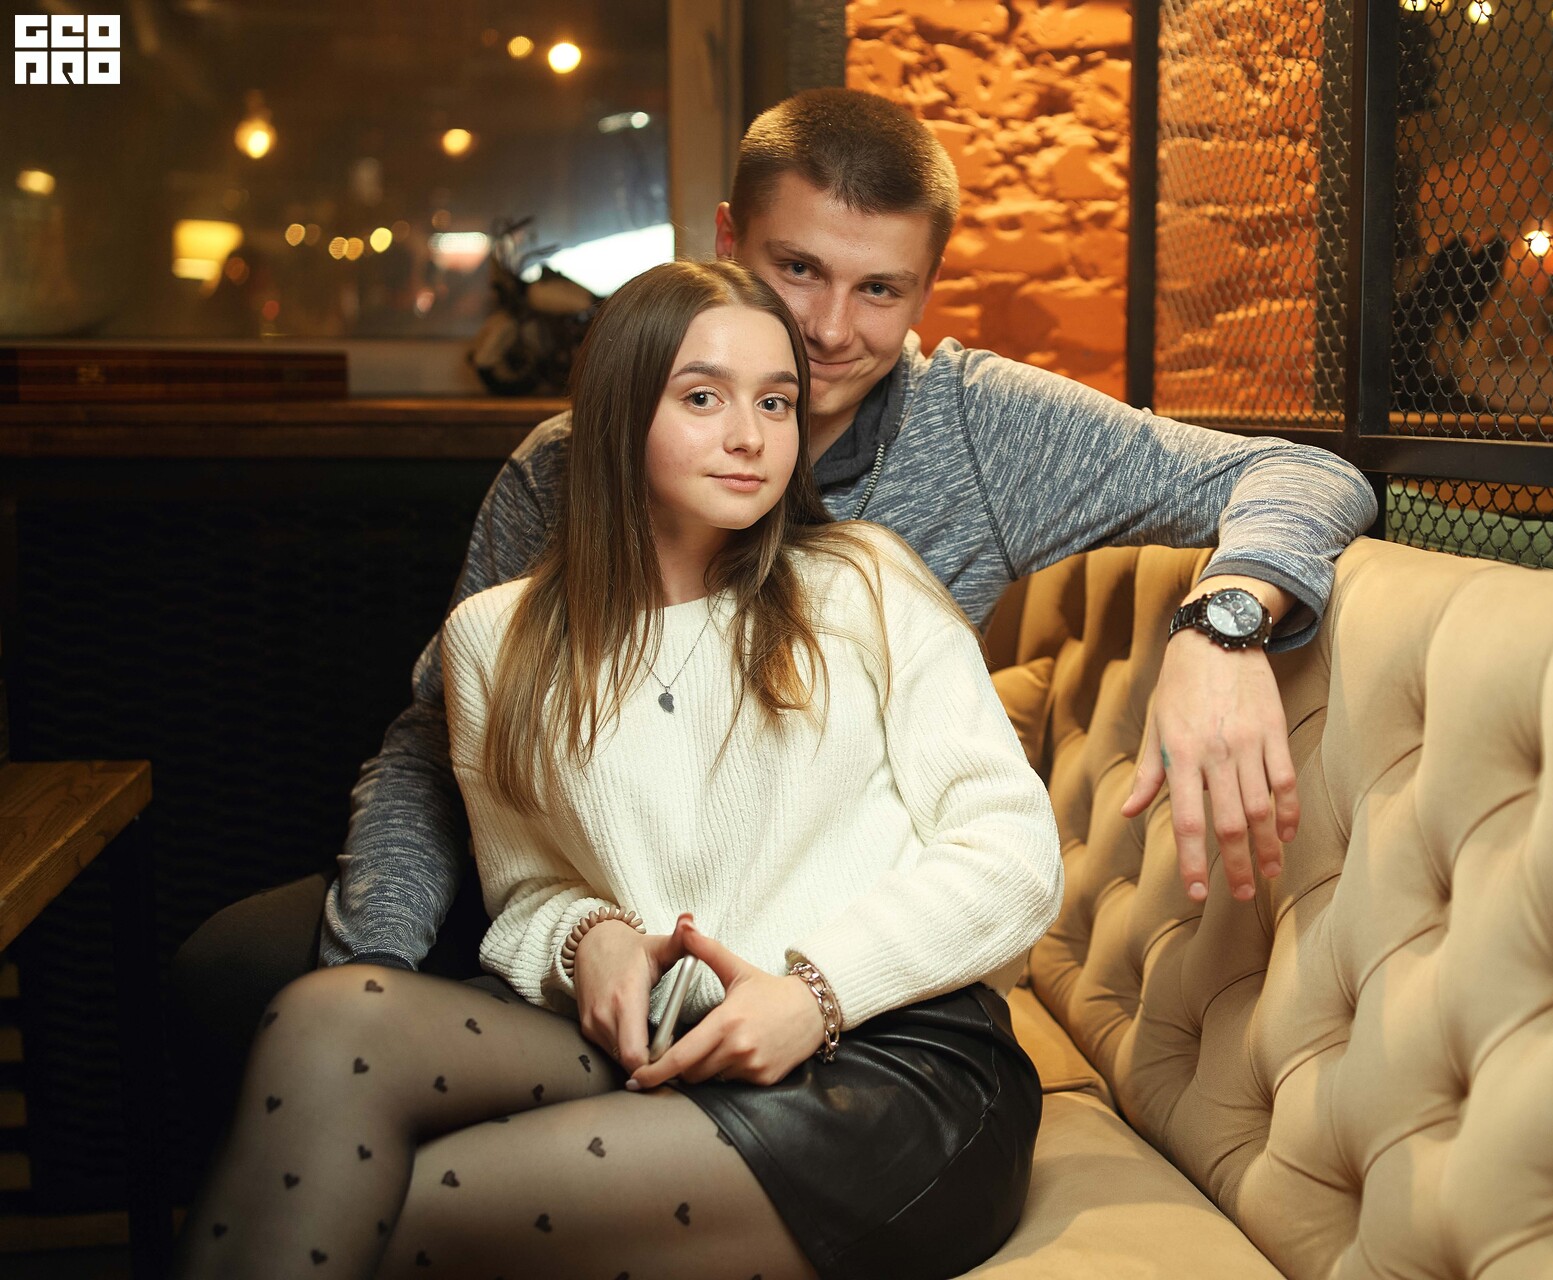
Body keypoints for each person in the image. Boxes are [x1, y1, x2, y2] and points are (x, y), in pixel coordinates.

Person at [171, 87, 1376, 1129]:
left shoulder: (975, 432)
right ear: (726, 239)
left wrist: (1223, 625)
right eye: (796, 269)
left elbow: (1302, 471)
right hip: (572, 899)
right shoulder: (572, 464)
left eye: (880, 288)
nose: (829, 330)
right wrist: (382, 963)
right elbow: (438, 744)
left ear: (927, 286)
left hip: (813, 928)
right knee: (245, 978)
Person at [174, 259, 1063, 1280]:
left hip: (882, 1068)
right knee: (328, 1017)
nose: (750, 435)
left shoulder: (864, 582)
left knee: (371, 1204)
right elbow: (527, 885)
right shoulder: (496, 639)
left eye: (776, 402)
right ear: (615, 412)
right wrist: (584, 936)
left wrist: (813, 992)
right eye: (703, 397)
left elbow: (1013, 851)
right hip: (660, 1041)